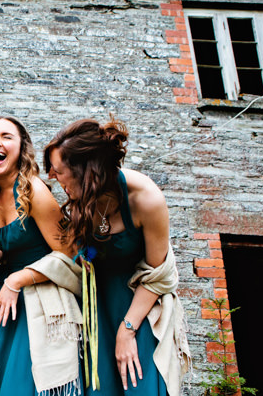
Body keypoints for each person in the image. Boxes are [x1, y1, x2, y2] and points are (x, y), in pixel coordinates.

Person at [44, 117, 190, 396]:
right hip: (97, 310)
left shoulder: (145, 199)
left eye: (59, 170)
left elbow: (160, 274)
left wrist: (128, 330)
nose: (52, 176)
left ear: (86, 171)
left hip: (139, 308)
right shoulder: (81, 200)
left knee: (140, 385)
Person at [0, 116, 83, 396]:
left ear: (22, 148)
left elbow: (69, 255)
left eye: (7, 136)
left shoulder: (33, 190)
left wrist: (17, 279)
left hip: (41, 301)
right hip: (7, 306)